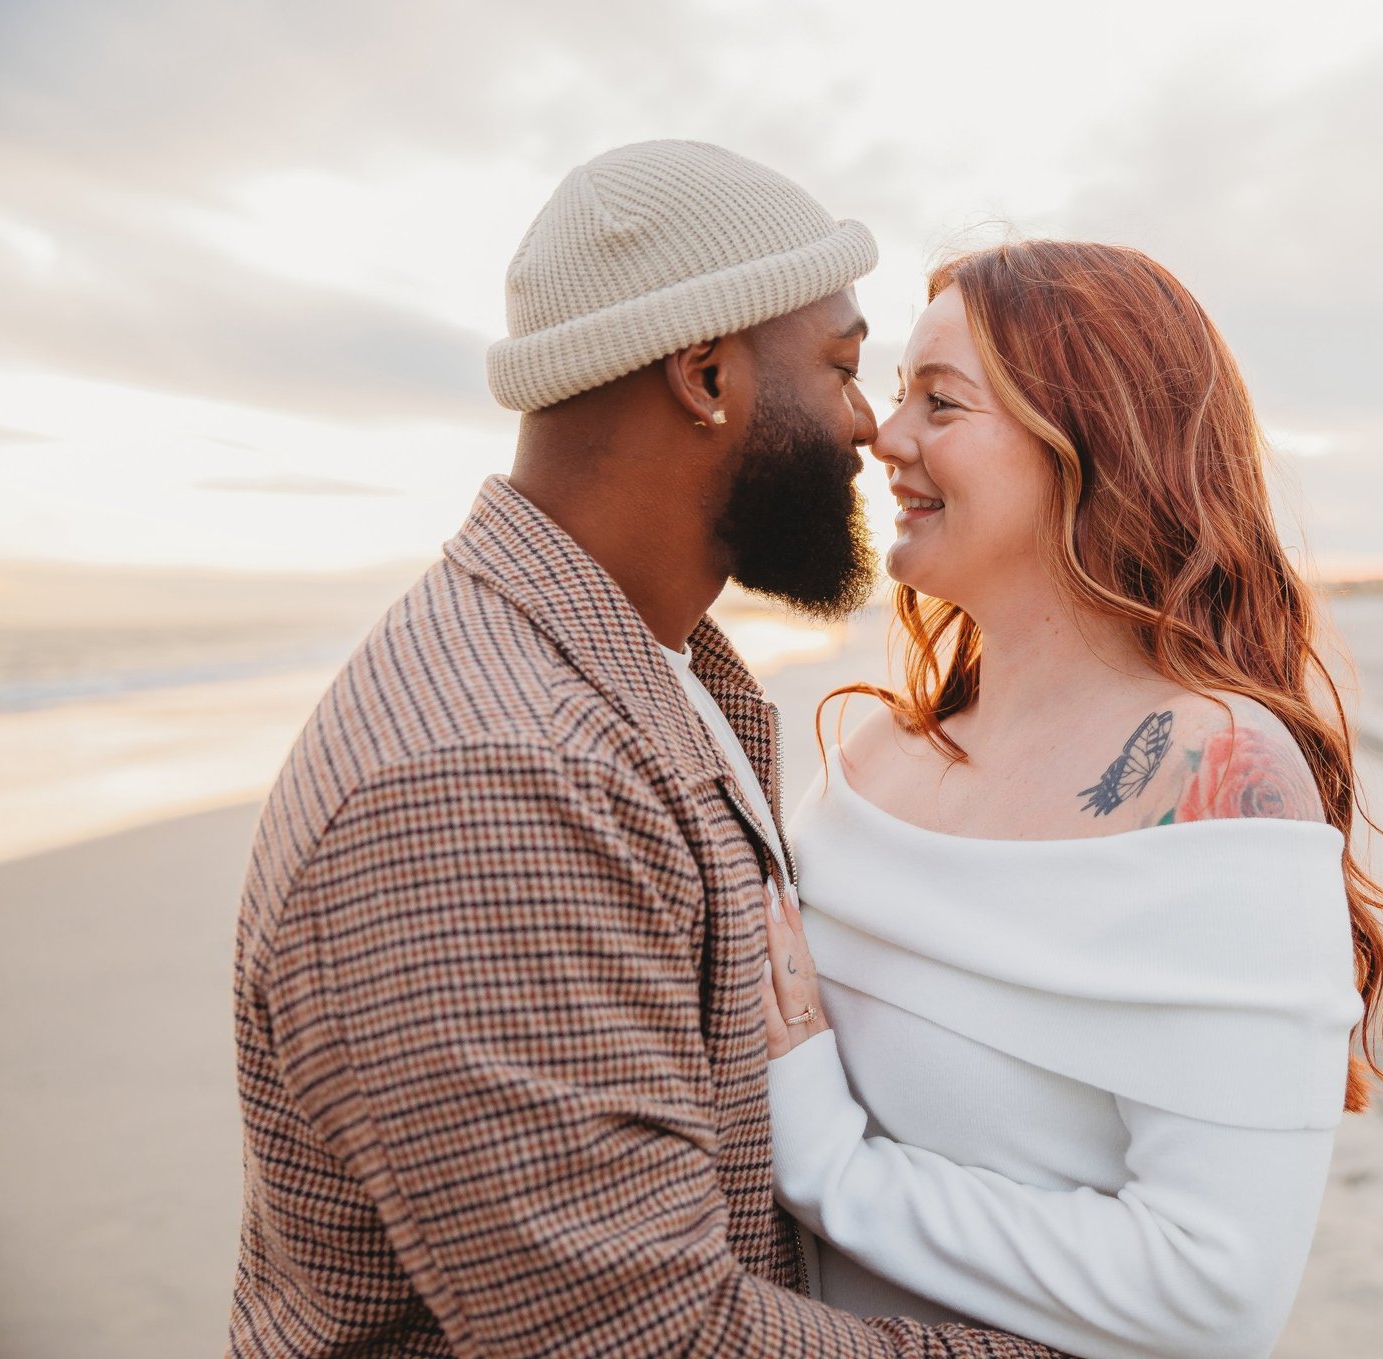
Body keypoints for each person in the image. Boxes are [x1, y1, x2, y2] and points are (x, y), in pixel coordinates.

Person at [224, 140, 1069, 1358]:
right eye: (841, 367)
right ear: (707, 373)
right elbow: (642, 1338)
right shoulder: (488, 782)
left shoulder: (648, 673)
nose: (868, 430)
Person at [757, 240, 1383, 1359]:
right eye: (895, 392)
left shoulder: (1220, 782)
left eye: (941, 402)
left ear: (1090, 441)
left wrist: (826, 1163)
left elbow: (1213, 1292)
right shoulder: (869, 761)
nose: (885, 437)